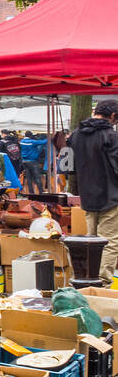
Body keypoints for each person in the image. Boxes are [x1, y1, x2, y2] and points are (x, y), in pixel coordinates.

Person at [66, 100, 118, 281]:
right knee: (109, 242)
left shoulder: (75, 135)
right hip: (111, 196)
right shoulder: (111, 136)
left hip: (87, 197)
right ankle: (101, 283)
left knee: (90, 242)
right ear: (112, 116)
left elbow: (66, 167)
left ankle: (86, 280)